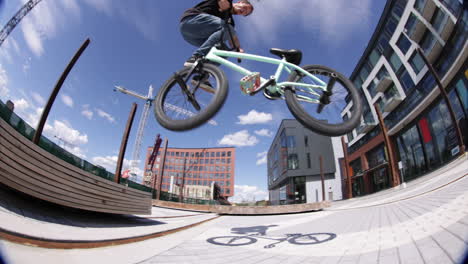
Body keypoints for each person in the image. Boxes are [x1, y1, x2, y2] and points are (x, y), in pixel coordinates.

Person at [179, 0, 254, 66]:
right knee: (228, 28)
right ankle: (197, 56)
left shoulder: (230, 22)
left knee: (223, 52)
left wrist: (238, 49)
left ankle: (202, 73)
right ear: (240, 2)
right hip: (190, 21)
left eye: (245, 13)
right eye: (245, 8)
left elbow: (233, 38)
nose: (243, 11)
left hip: (195, 38)